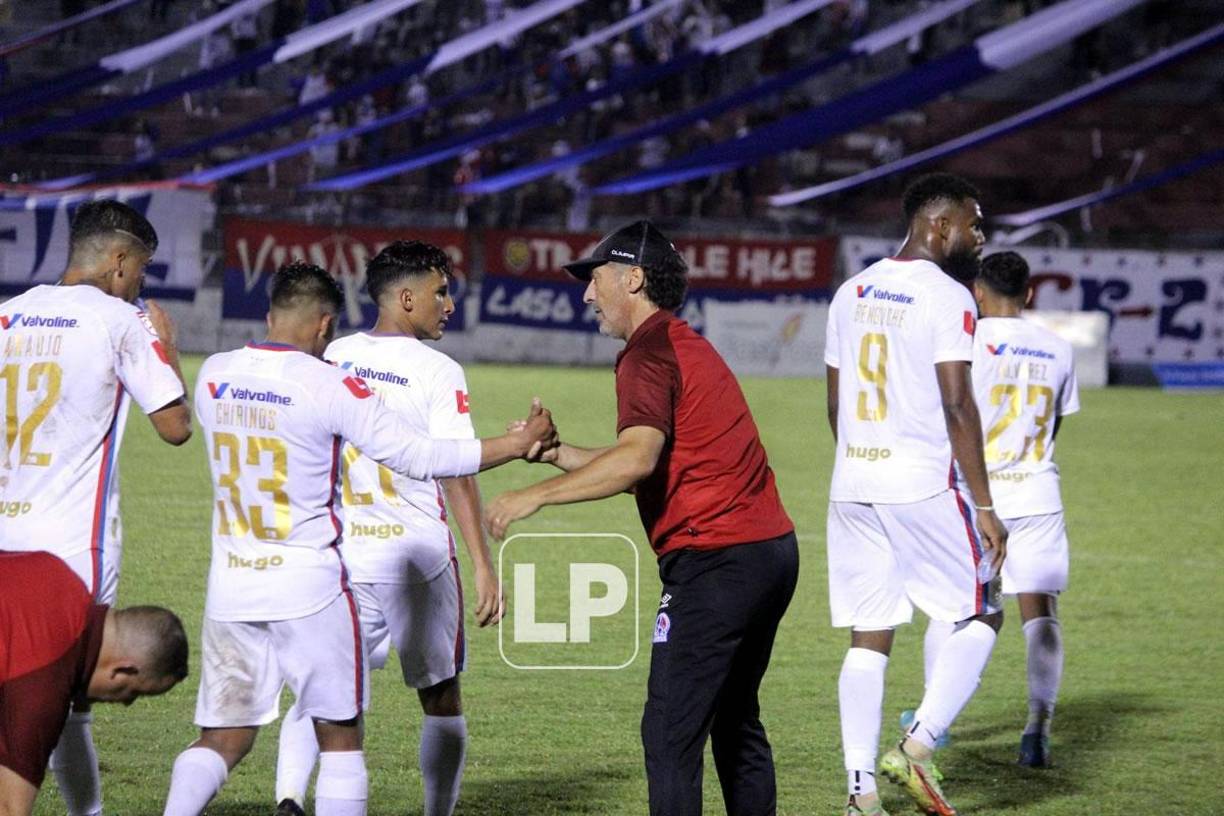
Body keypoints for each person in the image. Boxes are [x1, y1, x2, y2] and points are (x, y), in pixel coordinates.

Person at [162, 262, 555, 816]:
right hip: (317, 582)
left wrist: (167, 348)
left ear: (270, 313)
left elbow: (176, 421)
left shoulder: (215, 373)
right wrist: (516, 447)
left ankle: (270, 800)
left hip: (232, 587)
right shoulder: (331, 383)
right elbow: (423, 457)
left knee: (224, 737)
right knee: (344, 733)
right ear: (324, 325)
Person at [485, 220, 799, 816]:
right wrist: (556, 454)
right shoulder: (681, 341)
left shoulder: (648, 352)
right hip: (768, 554)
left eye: (595, 278)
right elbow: (653, 459)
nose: (586, 294)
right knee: (735, 723)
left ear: (633, 278)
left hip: (717, 563)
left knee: (670, 733)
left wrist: (534, 497)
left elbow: (637, 459)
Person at [274, 242, 501, 816]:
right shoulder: (438, 370)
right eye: (440, 292)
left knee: (323, 686)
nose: (449, 304)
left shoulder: (333, 355)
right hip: (416, 556)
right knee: (441, 695)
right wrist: (481, 562)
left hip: (342, 552)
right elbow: (454, 468)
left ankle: (289, 797)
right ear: (406, 298)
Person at [823, 172, 1007, 816]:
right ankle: (918, 745)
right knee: (982, 611)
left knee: (868, 637)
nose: (979, 236)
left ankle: (859, 793)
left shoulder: (850, 290)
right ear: (938, 227)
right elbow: (958, 403)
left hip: (853, 483)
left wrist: (860, 461)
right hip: (918, 482)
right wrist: (984, 505)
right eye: (973, 223)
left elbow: (834, 403)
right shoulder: (948, 295)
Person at [0, 199, 191, 816]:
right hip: (68, 555)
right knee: (69, 698)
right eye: (141, 270)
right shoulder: (120, 321)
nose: (139, 284)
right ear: (118, 261)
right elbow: (175, 427)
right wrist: (169, 351)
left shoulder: (7, 315)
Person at [919, 251, 1078, 768]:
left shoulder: (963, 341)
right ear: (1029, 294)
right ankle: (1038, 727)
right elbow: (1054, 427)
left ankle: (931, 723)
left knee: (954, 607)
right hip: (1037, 494)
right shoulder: (1059, 348)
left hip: (975, 495)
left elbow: (951, 413)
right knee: (1041, 610)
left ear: (978, 294)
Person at [0, 550, 189, 816]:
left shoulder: (58, 573)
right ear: (122, 669)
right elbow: (9, 808)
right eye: (133, 693)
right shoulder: (46, 687)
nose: (124, 704)